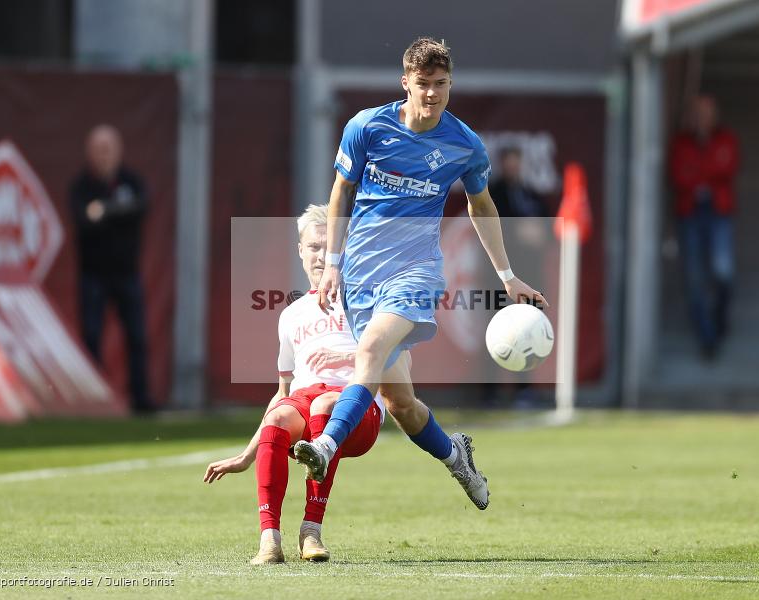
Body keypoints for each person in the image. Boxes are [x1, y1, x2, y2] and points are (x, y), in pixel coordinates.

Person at [293, 38, 546, 511]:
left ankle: (325, 446)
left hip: (417, 271)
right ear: (405, 82)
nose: (432, 94)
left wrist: (507, 275)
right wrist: (331, 263)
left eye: (441, 84)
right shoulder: (366, 127)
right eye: (423, 84)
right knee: (399, 403)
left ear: (451, 84)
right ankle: (457, 457)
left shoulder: (464, 143)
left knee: (368, 350)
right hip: (361, 274)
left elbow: (481, 205)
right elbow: (341, 193)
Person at [203, 204, 384, 564]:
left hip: (356, 409)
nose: (320, 256)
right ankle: (269, 540)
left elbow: (387, 366)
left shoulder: (367, 302)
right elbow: (283, 393)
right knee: (279, 418)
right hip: (305, 400)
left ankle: (311, 532)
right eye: (312, 247)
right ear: (300, 250)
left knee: (324, 405)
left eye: (328, 247)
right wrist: (245, 455)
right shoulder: (290, 315)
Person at [69, 124, 152, 412]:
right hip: (93, 275)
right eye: (98, 150)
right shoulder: (82, 186)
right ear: (89, 153)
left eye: (108, 149)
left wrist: (104, 210)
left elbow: (140, 207)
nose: (103, 156)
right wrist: (115, 211)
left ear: (118, 151)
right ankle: (95, 400)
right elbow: (83, 219)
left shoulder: (131, 181)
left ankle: (140, 400)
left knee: (137, 337)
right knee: (91, 337)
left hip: (126, 273)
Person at [669, 95, 739, 359]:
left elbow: (727, 167)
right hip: (690, 212)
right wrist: (707, 172)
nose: (702, 118)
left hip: (719, 211)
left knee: (723, 270)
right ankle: (707, 338)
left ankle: (720, 319)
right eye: (698, 113)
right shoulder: (682, 142)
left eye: (707, 113)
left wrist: (698, 172)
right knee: (694, 277)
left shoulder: (725, 138)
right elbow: (678, 175)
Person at [485, 147, 550, 407]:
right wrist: (518, 234)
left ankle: (524, 391)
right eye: (509, 163)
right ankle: (489, 392)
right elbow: (489, 228)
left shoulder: (531, 194)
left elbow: (548, 228)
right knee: (495, 332)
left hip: (531, 276)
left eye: (517, 163)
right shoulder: (493, 194)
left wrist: (540, 234)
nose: (513, 168)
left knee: (528, 333)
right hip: (499, 278)